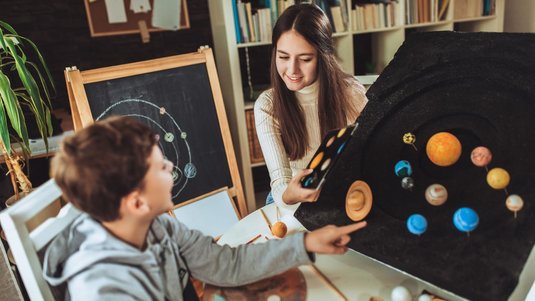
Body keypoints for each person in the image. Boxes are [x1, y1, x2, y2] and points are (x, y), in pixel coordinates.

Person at [42, 116, 367, 300]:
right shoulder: (101, 290)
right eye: (159, 166)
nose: (170, 166)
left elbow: (225, 264)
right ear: (137, 202)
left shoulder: (159, 227)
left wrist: (306, 243)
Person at [254, 3, 369, 215]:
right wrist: (291, 194)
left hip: (339, 192)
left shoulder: (351, 93)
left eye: (305, 59)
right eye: (283, 57)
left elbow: (365, 154)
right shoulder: (267, 105)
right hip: (289, 199)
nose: (292, 70)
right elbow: (280, 182)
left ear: (323, 57)